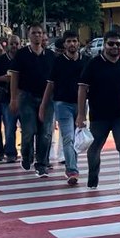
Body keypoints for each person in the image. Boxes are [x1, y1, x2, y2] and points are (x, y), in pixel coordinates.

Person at [76, 29, 120, 192]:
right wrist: (81, 114)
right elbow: (82, 88)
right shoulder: (93, 64)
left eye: (118, 44)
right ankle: (92, 178)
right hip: (99, 116)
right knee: (95, 149)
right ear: (104, 45)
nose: (115, 47)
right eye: (111, 44)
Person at [40, 30, 87, 185]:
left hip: (81, 104)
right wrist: (43, 105)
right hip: (62, 104)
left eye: (74, 41)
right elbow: (50, 84)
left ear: (78, 43)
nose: (72, 44)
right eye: (69, 41)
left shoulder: (86, 61)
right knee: (68, 137)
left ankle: (72, 164)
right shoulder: (58, 62)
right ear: (65, 44)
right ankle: (72, 169)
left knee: (78, 136)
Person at [9, 24, 56, 177]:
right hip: (26, 97)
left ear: (43, 35)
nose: (37, 36)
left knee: (45, 133)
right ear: (28, 36)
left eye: (40, 33)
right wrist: (13, 98)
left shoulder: (50, 55)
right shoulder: (22, 54)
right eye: (34, 33)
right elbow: (14, 77)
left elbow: (54, 79)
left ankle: (41, 164)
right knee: (29, 131)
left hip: (46, 98)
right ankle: (26, 154)